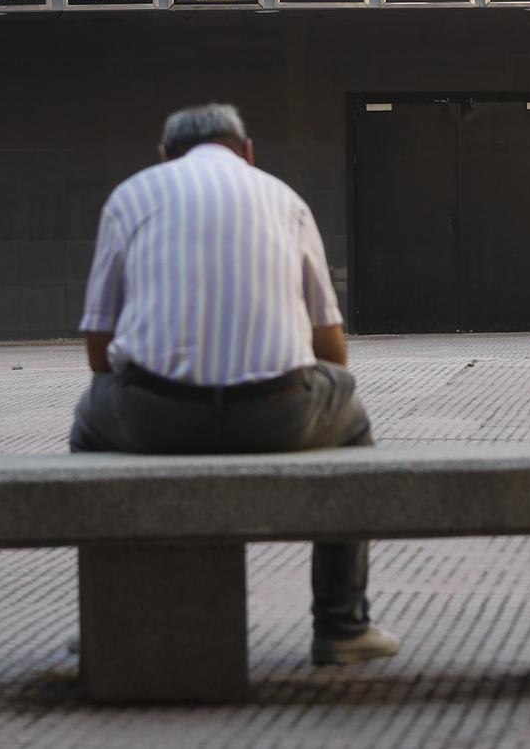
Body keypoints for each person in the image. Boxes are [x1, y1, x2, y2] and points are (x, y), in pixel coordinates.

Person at [69, 103, 400, 668]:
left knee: (89, 423)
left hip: (156, 417)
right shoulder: (284, 199)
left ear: (163, 156)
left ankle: (113, 616)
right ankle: (342, 624)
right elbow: (333, 351)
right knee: (352, 420)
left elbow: (99, 352)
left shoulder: (130, 197)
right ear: (247, 151)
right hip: (277, 414)